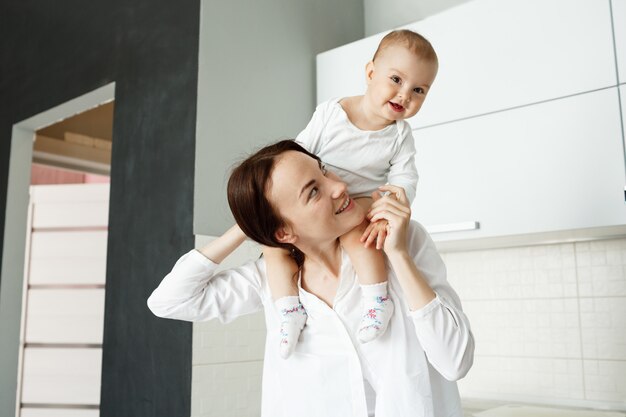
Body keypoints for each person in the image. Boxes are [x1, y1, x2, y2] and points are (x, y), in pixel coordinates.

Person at [147, 140, 474, 417]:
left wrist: (399, 256)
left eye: (323, 170)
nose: (339, 186)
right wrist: (245, 227)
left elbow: (455, 361)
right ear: (283, 232)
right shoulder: (269, 279)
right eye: (314, 191)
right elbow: (169, 301)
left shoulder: (401, 241)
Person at [265, 29, 439, 357]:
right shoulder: (332, 112)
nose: (405, 95)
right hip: (319, 194)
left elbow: (405, 177)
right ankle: (287, 310)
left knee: (357, 233)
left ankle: (376, 300)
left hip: (358, 200)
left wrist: (390, 207)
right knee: (273, 246)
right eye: (397, 80)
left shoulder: (400, 135)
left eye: (419, 90)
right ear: (371, 73)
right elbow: (299, 152)